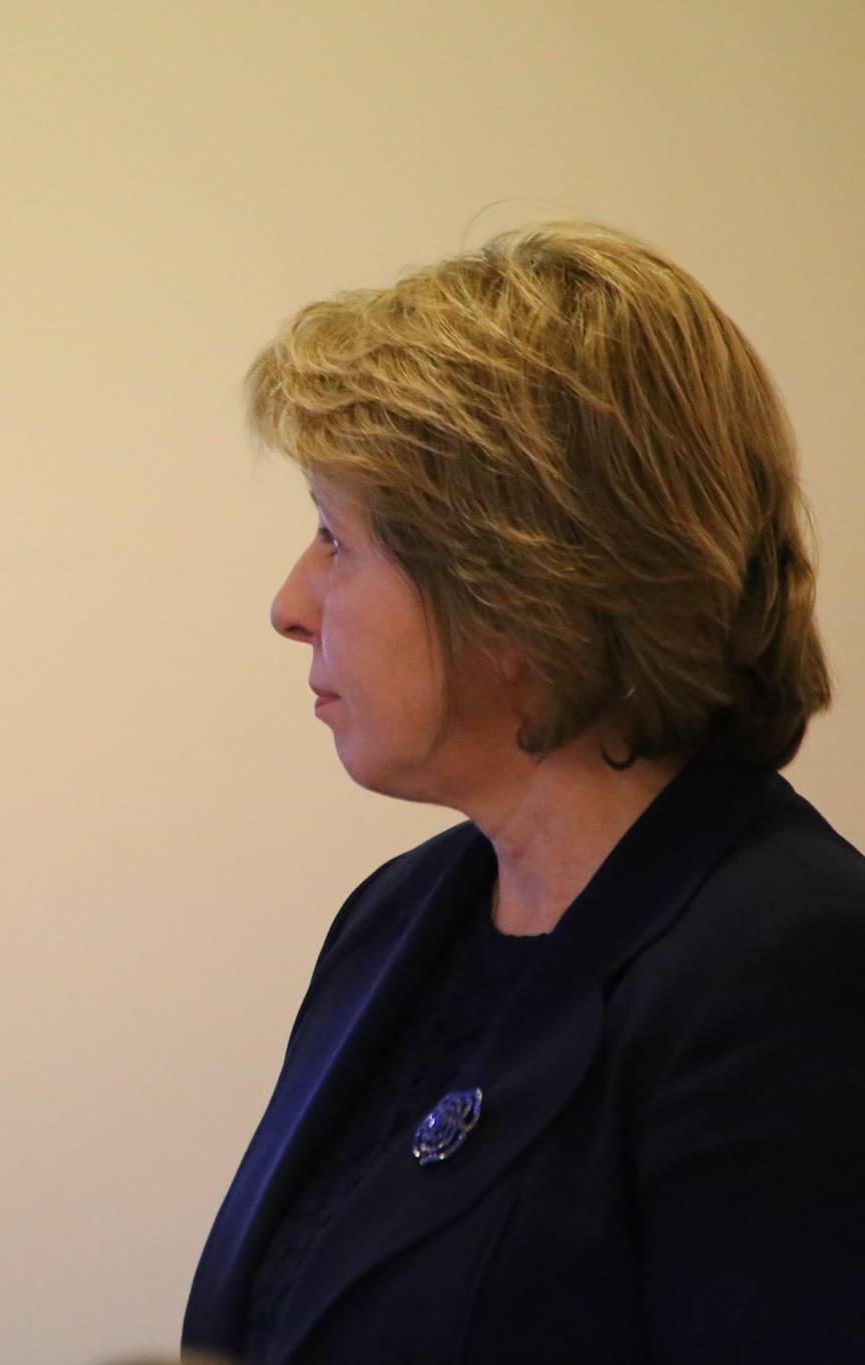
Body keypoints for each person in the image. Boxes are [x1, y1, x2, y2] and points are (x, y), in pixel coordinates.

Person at [183, 223, 865, 1363]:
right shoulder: (394, 920)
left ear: (517, 583)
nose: (290, 605)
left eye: (335, 537)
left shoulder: (791, 973)